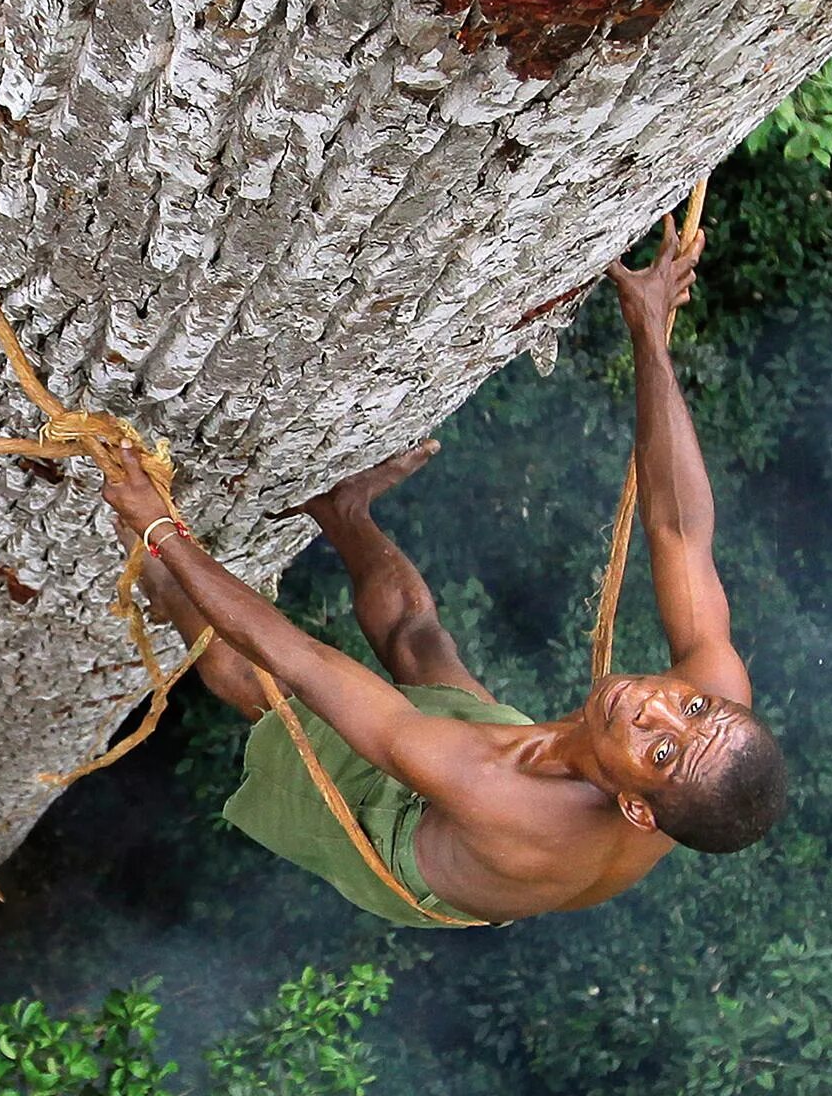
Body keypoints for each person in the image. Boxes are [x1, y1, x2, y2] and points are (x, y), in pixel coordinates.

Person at [86, 214, 786, 926]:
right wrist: (649, 325)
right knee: (421, 644)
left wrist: (161, 526)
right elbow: (679, 529)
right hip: (533, 781)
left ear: (639, 807)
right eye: (692, 706)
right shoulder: (712, 700)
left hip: (421, 855)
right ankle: (342, 510)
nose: (656, 704)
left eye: (661, 747)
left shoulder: (499, 794)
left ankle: (144, 553)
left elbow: (300, 663)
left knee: (262, 689)